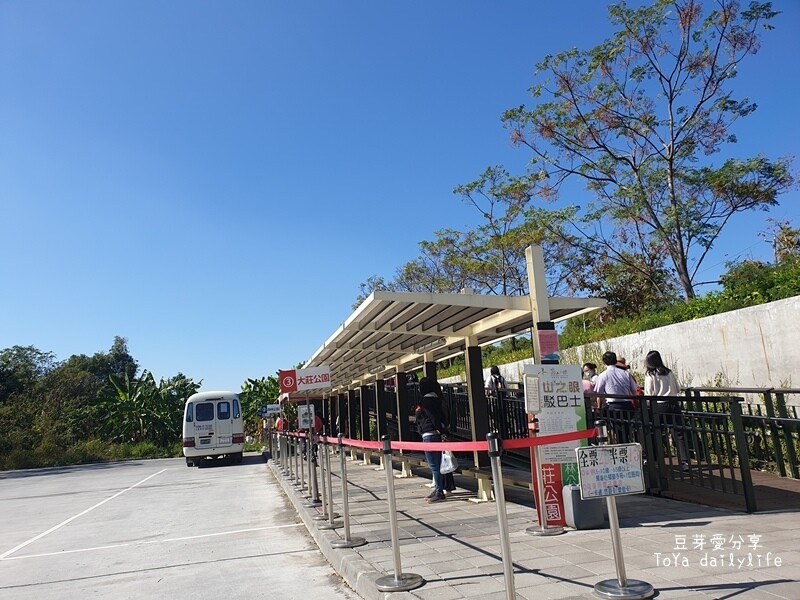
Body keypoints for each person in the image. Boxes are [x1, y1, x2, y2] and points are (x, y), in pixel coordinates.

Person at [644, 350, 690, 471]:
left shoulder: (650, 374)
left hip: (659, 405)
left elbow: (649, 393)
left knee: (655, 432)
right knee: (679, 432)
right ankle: (684, 461)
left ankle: (656, 460)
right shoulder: (668, 372)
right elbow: (678, 388)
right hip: (674, 403)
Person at [415, 377, 448, 503]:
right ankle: (438, 488)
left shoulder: (426, 401)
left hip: (429, 435)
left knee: (434, 465)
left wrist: (440, 429)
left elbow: (432, 418)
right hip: (435, 435)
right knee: (436, 464)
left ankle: (439, 491)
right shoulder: (436, 399)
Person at [594, 351, 639, 442]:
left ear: (604, 362)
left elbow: (599, 394)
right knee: (628, 430)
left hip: (613, 406)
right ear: (615, 361)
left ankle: (623, 449)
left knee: (618, 431)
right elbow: (634, 391)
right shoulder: (625, 374)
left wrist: (599, 408)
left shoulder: (603, 375)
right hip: (628, 405)